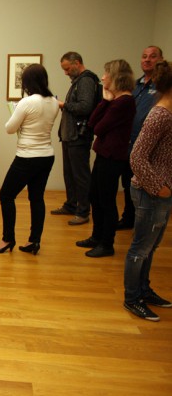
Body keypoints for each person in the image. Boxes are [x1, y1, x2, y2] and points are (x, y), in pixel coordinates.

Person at [0, 64, 58, 256]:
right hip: (47, 156)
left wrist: (17, 113)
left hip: (27, 156)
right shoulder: (53, 102)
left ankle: (7, 239)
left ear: (27, 82)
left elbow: (9, 129)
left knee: (6, 195)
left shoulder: (26, 102)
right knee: (37, 198)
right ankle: (34, 241)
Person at [123, 60, 172, 322]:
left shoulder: (166, 113)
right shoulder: (160, 115)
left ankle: (144, 290)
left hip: (160, 191)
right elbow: (137, 156)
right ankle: (132, 298)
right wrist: (158, 187)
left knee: (150, 248)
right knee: (140, 249)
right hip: (149, 193)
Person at [76, 60, 135, 258]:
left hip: (112, 157)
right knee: (95, 196)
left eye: (106, 73)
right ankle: (97, 237)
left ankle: (107, 244)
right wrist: (106, 100)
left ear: (116, 76)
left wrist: (107, 102)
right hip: (104, 154)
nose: (102, 77)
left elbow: (98, 128)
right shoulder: (115, 101)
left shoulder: (124, 102)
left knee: (107, 201)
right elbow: (93, 122)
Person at [51, 52, 101, 225]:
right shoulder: (78, 81)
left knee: (80, 176)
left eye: (67, 69)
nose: (65, 73)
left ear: (77, 63)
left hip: (78, 136)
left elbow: (85, 107)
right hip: (70, 135)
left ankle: (83, 211)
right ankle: (71, 205)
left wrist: (63, 104)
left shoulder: (86, 80)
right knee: (69, 173)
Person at [118, 46, 164, 230]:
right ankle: (128, 218)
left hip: (150, 147)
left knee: (145, 188)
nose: (147, 60)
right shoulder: (135, 85)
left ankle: (146, 224)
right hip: (128, 144)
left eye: (152, 57)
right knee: (128, 184)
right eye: (144, 56)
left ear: (161, 60)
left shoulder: (162, 87)